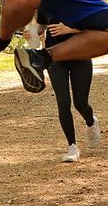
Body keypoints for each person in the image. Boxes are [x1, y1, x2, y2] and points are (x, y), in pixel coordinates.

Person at [26, 12, 101, 162]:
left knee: (80, 103)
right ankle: (72, 147)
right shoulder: (45, 1)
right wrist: (33, 32)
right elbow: (42, 25)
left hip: (81, 55)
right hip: (55, 57)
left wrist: (70, 29)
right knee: (63, 102)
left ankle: (91, 121)